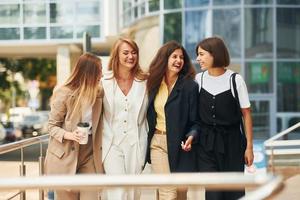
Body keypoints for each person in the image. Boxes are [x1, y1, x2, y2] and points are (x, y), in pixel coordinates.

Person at [195, 36, 254, 200]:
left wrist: (249, 147)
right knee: (213, 193)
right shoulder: (198, 80)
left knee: (233, 193)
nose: (198, 58)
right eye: (197, 54)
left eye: (201, 54)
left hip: (233, 144)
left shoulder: (235, 80)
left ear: (215, 54)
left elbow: (247, 114)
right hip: (206, 145)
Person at [44, 53, 104, 200]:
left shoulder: (99, 93)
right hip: (65, 154)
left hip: (89, 153)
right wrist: (69, 135)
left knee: (91, 196)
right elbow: (52, 126)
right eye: (99, 70)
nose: (101, 74)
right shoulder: (64, 92)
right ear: (89, 72)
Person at [146, 40, 200, 200]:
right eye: (174, 56)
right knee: (167, 191)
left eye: (181, 57)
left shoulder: (190, 86)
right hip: (158, 143)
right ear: (165, 58)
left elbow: (196, 121)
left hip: (181, 146)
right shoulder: (153, 83)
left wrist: (192, 136)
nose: (178, 60)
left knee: (181, 193)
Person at [102, 38, 148, 200]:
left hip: (135, 142)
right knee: (118, 191)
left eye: (134, 52)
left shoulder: (145, 81)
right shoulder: (104, 81)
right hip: (111, 143)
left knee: (133, 192)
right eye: (126, 53)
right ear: (116, 55)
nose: (131, 56)